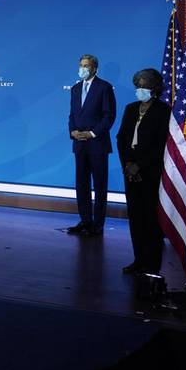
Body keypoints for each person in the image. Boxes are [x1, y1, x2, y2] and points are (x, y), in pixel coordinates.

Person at [116, 69, 170, 275]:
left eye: (143, 85)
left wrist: (140, 165)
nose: (139, 89)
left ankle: (152, 262)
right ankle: (138, 259)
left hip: (150, 172)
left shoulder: (163, 111)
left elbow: (161, 144)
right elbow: (121, 139)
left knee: (150, 218)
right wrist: (128, 164)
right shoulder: (131, 109)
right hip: (130, 172)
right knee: (135, 217)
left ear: (154, 88)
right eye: (137, 85)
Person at [67, 54, 116, 236]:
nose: (82, 68)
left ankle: (98, 224)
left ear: (94, 68)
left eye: (86, 66)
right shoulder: (75, 88)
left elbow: (108, 116)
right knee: (82, 184)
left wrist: (92, 133)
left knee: (100, 184)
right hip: (79, 144)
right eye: (81, 65)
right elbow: (72, 115)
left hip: (97, 143)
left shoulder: (104, 87)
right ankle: (85, 220)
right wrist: (73, 132)